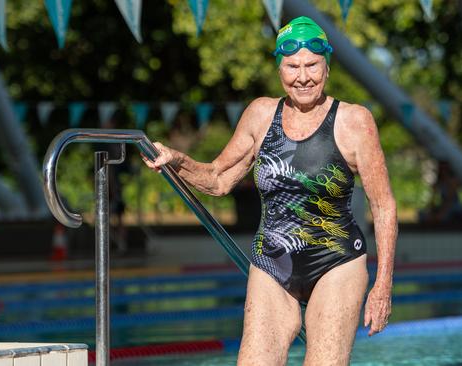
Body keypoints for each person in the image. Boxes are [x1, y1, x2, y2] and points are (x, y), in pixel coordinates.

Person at [142, 16, 397, 365]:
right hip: (272, 263)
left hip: (336, 263)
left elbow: (383, 206)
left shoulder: (354, 121)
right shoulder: (261, 115)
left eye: (312, 65)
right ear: (280, 69)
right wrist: (176, 160)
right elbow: (218, 178)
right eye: (292, 66)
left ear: (327, 67)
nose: (303, 76)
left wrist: (382, 286)